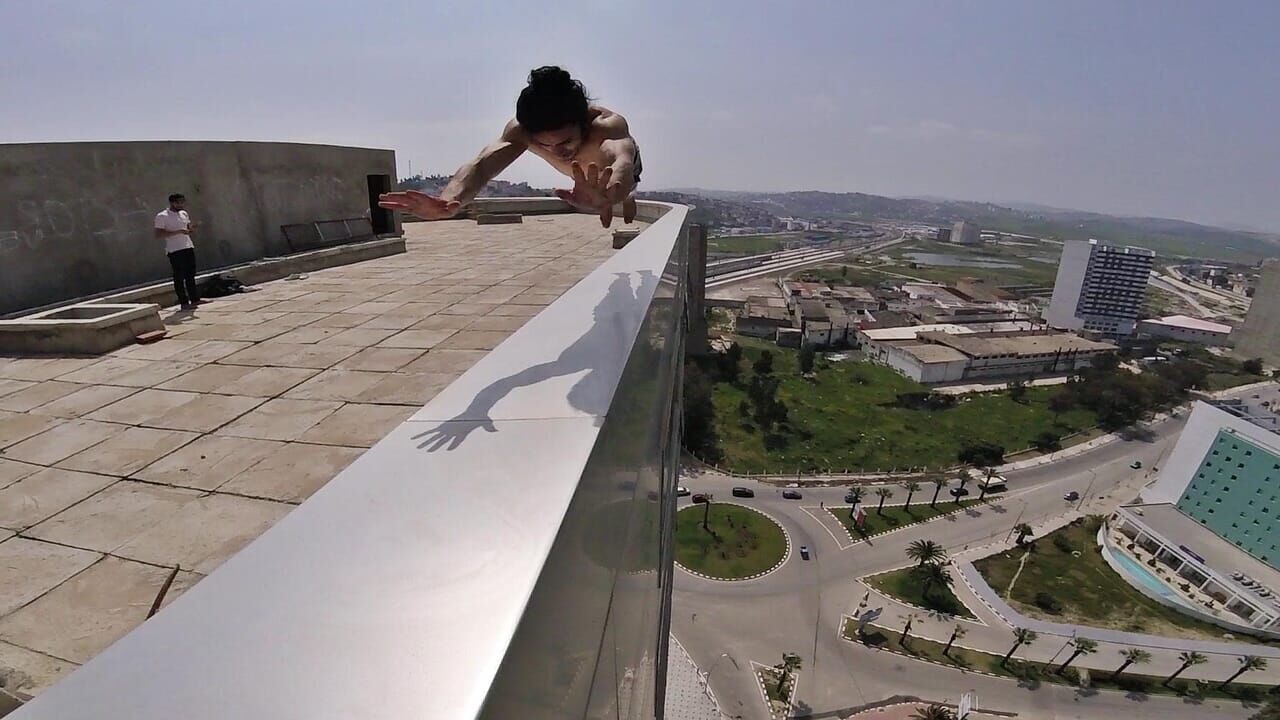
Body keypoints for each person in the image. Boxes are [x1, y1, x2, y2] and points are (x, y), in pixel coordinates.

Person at [378, 66, 641, 228]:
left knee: (625, 188)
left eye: (566, 142)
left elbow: (622, 162)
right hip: (587, 181)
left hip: (619, 173)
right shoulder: (520, 131)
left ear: (583, 123)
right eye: (545, 145)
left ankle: (628, 198)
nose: (558, 152)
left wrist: (614, 194)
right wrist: (448, 200)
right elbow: (482, 166)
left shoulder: (607, 126)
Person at [154, 193, 200, 310]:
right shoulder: (162, 216)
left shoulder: (183, 213)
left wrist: (192, 229)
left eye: (183, 202)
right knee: (179, 276)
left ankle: (195, 299)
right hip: (175, 249)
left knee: (190, 273)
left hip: (188, 246)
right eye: (178, 202)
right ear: (172, 203)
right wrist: (178, 232)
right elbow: (158, 234)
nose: (181, 205)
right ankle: (183, 302)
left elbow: (187, 229)